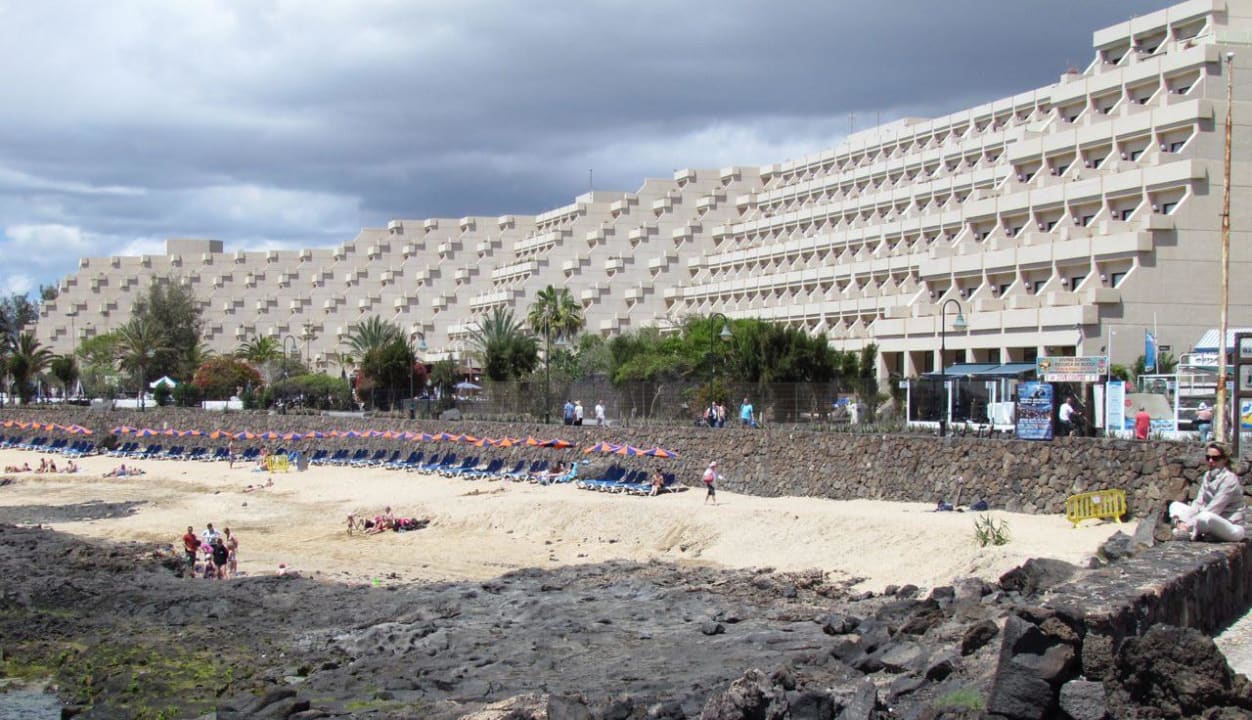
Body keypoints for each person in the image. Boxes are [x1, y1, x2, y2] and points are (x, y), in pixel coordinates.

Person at [1168, 442, 1246, 542]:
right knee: (1175, 505)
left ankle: (1185, 530)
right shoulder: (1208, 475)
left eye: (1215, 458)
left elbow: (1215, 508)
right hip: (1207, 519)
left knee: (1206, 516)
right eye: (1208, 457)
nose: (1210, 461)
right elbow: (1198, 502)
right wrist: (1183, 520)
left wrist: (1187, 524)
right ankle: (1184, 528)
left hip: (1230, 526)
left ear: (1224, 459)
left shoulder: (1229, 479)